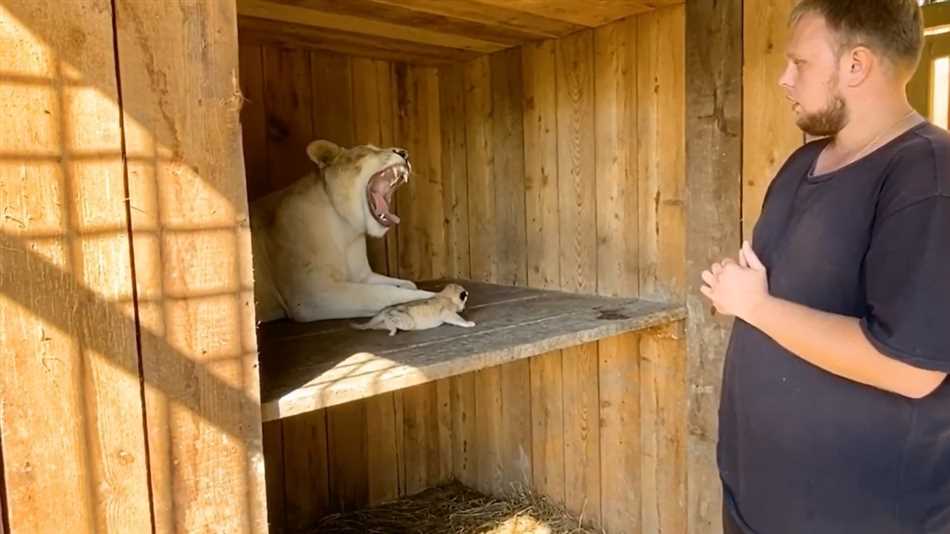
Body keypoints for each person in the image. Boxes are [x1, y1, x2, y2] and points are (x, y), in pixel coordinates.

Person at [700, 1, 950, 532]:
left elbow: (912, 368)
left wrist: (756, 306)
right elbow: (791, 293)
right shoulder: (800, 164)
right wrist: (743, 293)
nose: (783, 78)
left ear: (856, 65)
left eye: (801, 63)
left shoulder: (927, 176)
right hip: (759, 502)